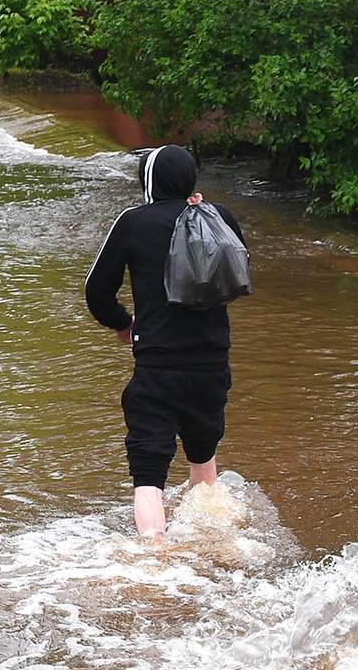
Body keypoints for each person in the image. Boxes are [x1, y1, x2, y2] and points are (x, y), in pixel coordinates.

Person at [84, 145, 247, 539]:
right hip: (212, 366)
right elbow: (235, 270)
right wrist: (204, 214)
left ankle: (155, 561)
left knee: (148, 476)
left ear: (148, 181)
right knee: (204, 463)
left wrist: (123, 324)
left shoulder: (133, 222)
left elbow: (96, 291)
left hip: (157, 369)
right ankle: (217, 543)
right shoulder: (219, 216)